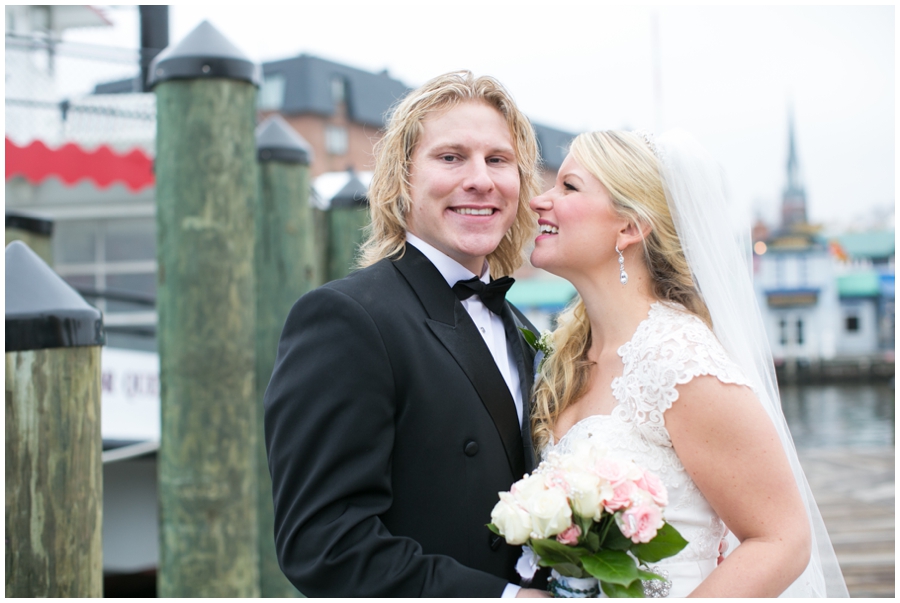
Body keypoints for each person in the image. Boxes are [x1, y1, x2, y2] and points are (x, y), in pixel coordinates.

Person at [263, 71, 549, 597]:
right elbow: (324, 542)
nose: (480, 179)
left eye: (498, 160)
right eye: (450, 157)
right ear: (402, 178)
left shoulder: (524, 331)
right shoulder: (345, 319)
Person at [527, 130, 848, 597]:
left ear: (629, 228)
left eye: (568, 187)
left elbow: (782, 540)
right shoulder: (568, 355)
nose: (540, 201)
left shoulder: (679, 361)